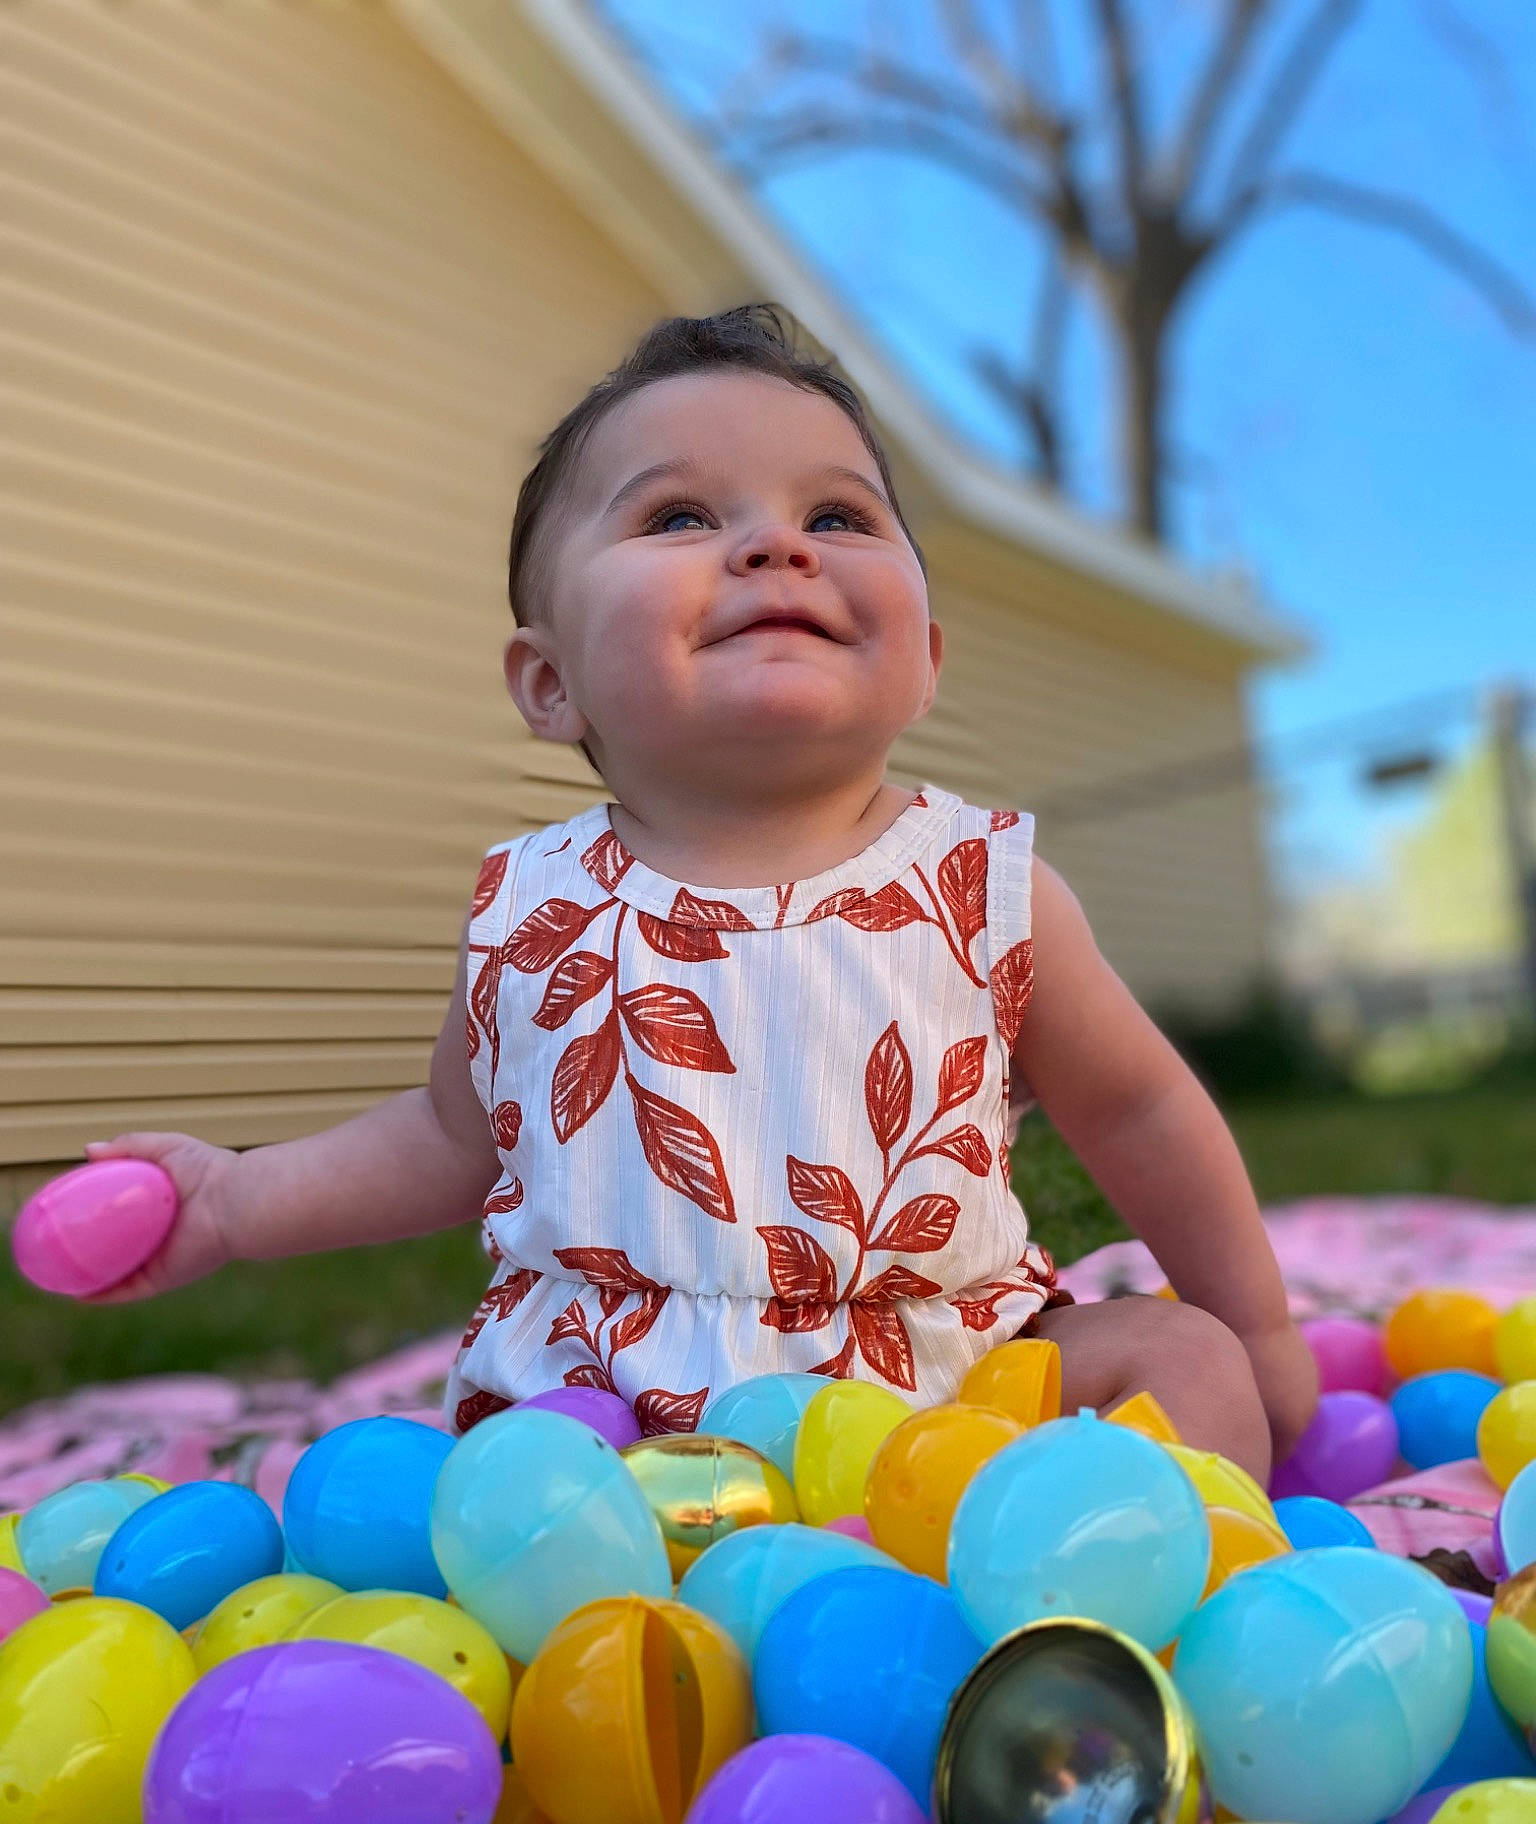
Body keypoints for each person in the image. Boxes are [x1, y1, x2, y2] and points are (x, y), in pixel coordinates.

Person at [81, 305, 1316, 1479]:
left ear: (926, 660)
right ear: (550, 682)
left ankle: (1072, 1629)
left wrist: (1252, 1323)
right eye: (677, 516)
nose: (775, 545)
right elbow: (452, 1139)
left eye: (838, 515)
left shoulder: (986, 883)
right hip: (623, 1419)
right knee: (498, 1486)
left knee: (1180, 1362)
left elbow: (1145, 1109)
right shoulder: (534, 911)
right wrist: (233, 1200)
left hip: (964, 1382)